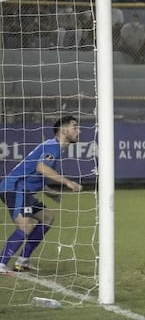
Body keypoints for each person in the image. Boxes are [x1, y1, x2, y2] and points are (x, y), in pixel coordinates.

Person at [0, 115, 83, 273]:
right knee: (26, 226)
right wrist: (67, 182)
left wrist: (49, 191)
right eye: (75, 127)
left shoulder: (52, 146)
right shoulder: (53, 147)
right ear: (64, 131)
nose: (79, 131)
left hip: (23, 189)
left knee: (47, 216)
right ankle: (1, 264)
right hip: (14, 187)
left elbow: (33, 173)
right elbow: (41, 168)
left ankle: (23, 260)